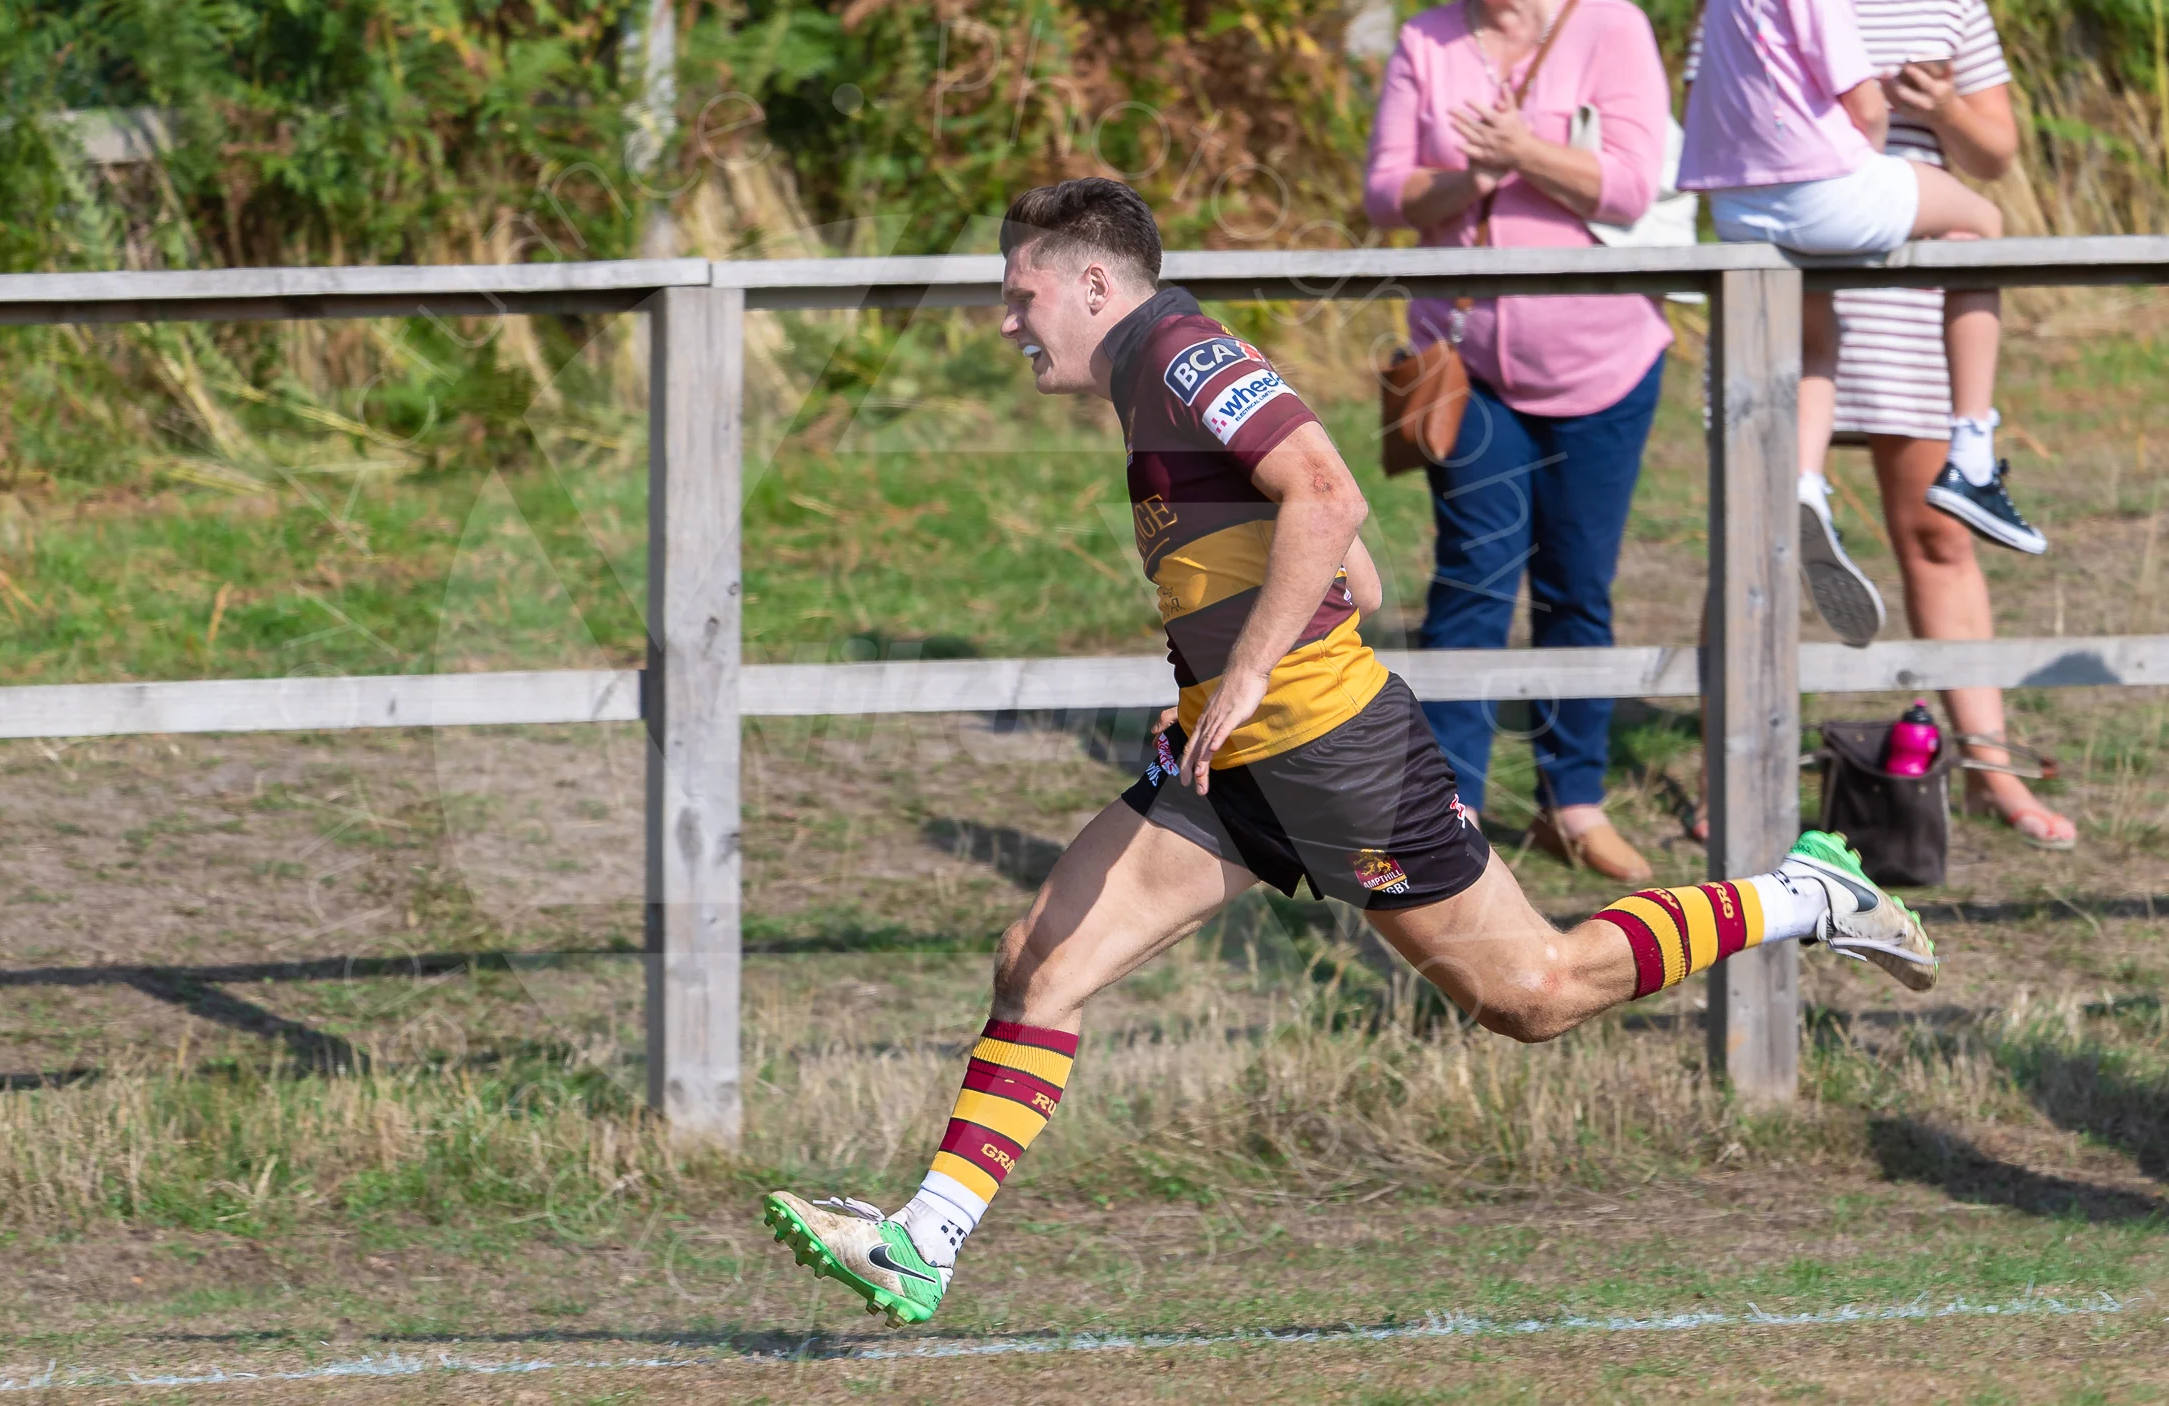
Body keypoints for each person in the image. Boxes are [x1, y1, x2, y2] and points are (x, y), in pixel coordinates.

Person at [760, 178, 1937, 1328]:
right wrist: (1216, 678)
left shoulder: (1179, 353)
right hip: (1232, 761)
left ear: (1096, 284)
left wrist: (1251, 668)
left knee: (1532, 994)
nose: (1005, 320)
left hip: (1335, 752)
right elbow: (1354, 575)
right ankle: (924, 1239)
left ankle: (1805, 892)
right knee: (1040, 958)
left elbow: (1327, 498)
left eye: (1021, 295)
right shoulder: (1146, 380)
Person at [1363, 0, 1676, 882]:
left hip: (1608, 365)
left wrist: (1524, 152)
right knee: (1474, 578)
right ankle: (1447, 810)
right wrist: (1473, 176)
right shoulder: (1427, 38)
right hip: (1468, 372)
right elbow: (1385, 195)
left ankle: (1572, 805)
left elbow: (1630, 187)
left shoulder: (1613, 25)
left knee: (1578, 585)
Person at [1678, 0, 2027, 650]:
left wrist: (1945, 108)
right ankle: (1974, 451)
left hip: (1748, 216)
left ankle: (1804, 485)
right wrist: (1862, 168)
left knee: (1815, 352)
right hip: (1840, 203)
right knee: (1983, 225)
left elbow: (1708, 111)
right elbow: (1864, 109)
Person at [1829, 0, 2073, 846]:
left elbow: (1995, 154)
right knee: (1763, 544)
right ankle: (1729, 771)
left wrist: (1942, 109)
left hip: (1914, 296)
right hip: (1786, 275)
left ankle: (1989, 768)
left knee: (1938, 533)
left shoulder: (1951, 4)